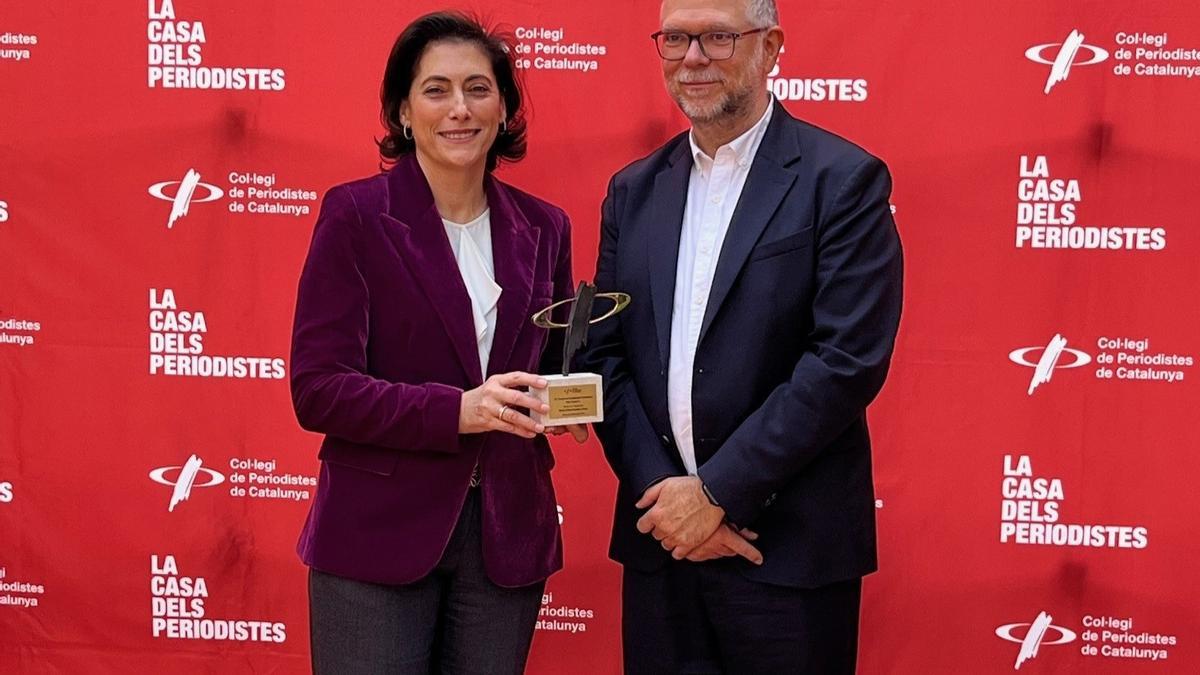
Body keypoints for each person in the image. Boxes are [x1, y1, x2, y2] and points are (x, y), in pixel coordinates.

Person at [579, 0, 904, 672]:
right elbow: (601, 356)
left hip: (785, 553)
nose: (693, 57)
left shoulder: (842, 181)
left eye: (718, 36)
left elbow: (843, 361)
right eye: (675, 39)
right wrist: (669, 502)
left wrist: (717, 493)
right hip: (659, 545)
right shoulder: (632, 191)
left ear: (771, 46)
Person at [289, 12, 584, 674]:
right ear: (402, 110)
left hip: (506, 539)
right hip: (375, 536)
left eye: (479, 88)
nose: (460, 108)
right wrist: (458, 409)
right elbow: (318, 389)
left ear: (504, 107)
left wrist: (572, 402)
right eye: (437, 89)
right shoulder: (356, 216)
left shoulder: (546, 227)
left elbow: (559, 368)